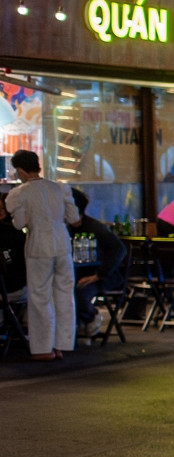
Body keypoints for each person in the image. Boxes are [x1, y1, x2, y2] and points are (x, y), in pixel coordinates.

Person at [4, 151, 80, 360]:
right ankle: (62, 345)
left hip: (39, 245)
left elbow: (19, 223)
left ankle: (43, 348)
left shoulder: (20, 193)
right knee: (64, 294)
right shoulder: (59, 188)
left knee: (40, 296)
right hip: (62, 244)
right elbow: (73, 217)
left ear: (20, 170)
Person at [69, 188, 125, 337]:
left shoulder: (95, 228)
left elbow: (119, 249)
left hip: (104, 276)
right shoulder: (64, 228)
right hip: (76, 273)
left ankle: (91, 317)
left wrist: (98, 275)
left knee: (78, 293)